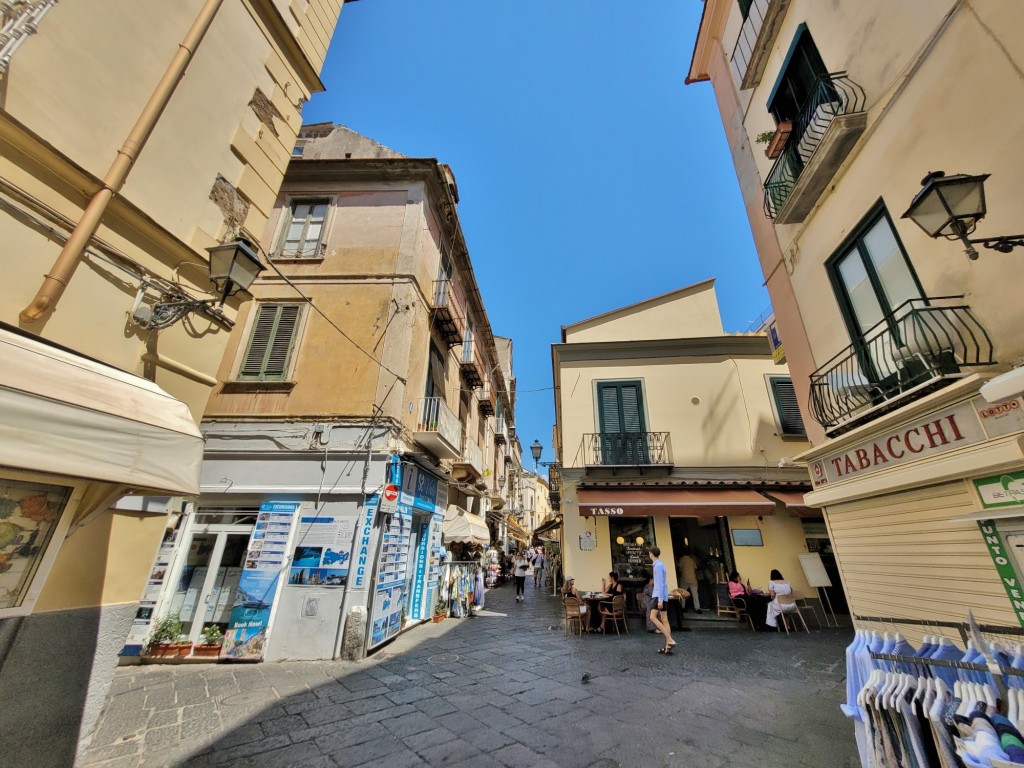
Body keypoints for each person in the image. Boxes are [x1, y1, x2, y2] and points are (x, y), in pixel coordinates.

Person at [648, 546, 675, 654]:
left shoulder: (657, 566)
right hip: (664, 595)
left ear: (651, 553)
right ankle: (668, 646)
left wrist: (659, 600)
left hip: (658, 595)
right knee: (664, 619)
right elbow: (663, 583)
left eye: (649, 553)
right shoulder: (661, 564)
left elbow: (659, 583)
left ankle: (670, 640)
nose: (649, 554)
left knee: (652, 617)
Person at [677, 547, 702, 614]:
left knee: (683, 594)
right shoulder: (691, 559)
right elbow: (695, 568)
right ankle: (697, 608)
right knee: (695, 594)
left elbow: (679, 569)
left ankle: (683, 607)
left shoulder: (681, 559)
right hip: (693, 579)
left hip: (684, 578)